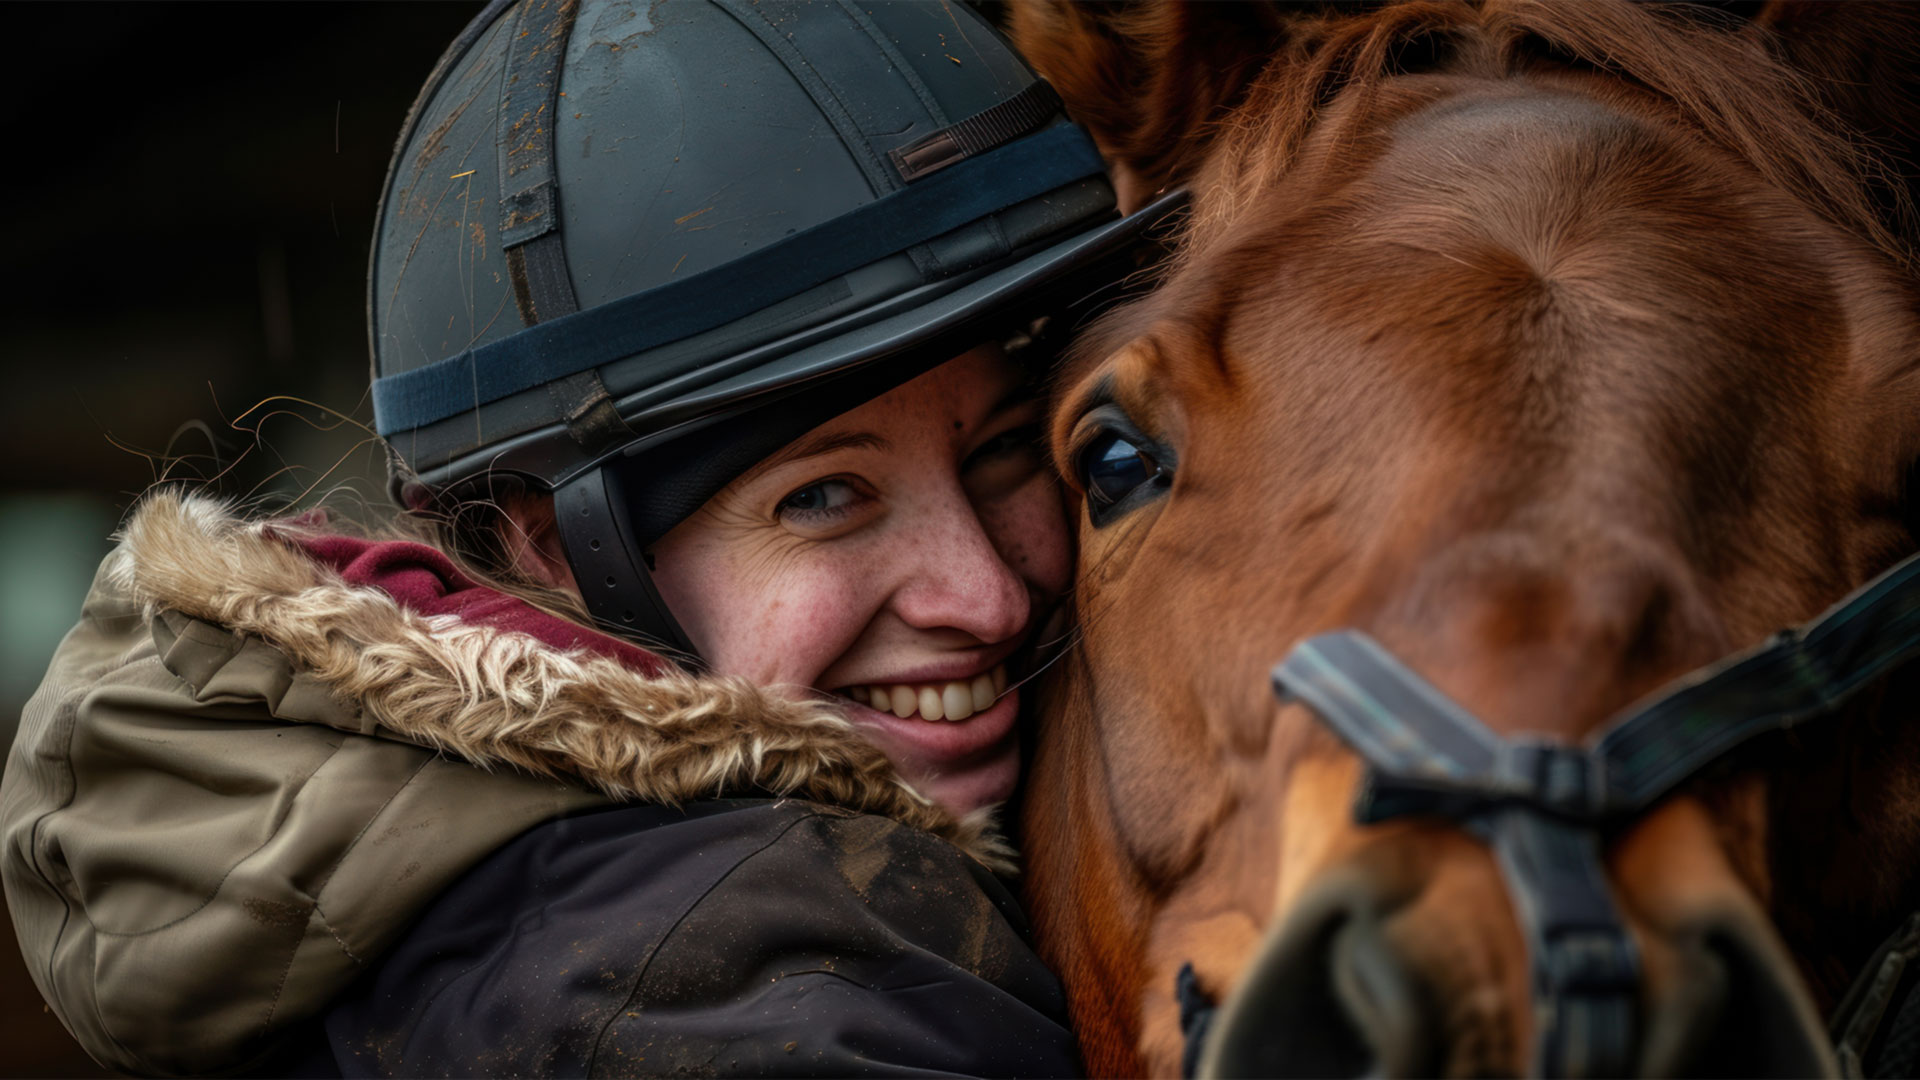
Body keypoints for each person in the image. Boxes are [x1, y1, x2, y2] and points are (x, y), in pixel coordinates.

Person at [0, 1, 1182, 1076]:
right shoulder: (744, 995)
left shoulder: (495, 908)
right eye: (823, 498)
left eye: (1003, 453)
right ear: (554, 553)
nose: (986, 597)